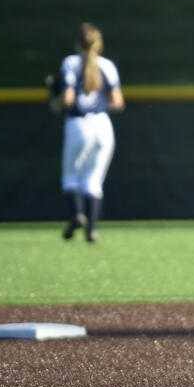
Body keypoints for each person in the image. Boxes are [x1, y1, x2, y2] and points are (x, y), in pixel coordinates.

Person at [57, 22, 124, 243]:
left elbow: (67, 100)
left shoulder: (71, 62)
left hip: (79, 124)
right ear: (99, 44)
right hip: (103, 126)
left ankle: (77, 214)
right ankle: (92, 229)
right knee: (93, 181)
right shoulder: (108, 66)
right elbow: (117, 103)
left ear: (77, 43)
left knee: (70, 177)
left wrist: (53, 99)